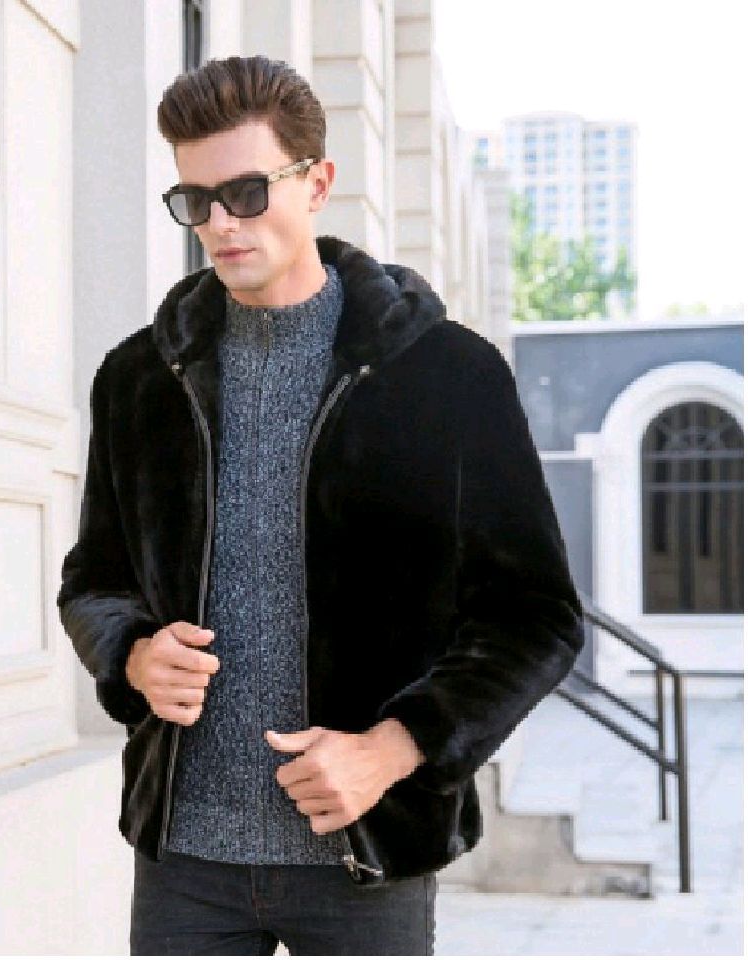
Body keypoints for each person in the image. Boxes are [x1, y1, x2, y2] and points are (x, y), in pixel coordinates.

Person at [57, 55, 585, 956]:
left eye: (246, 192)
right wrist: (134, 654)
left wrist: (394, 748)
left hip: (366, 855)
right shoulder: (138, 379)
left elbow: (536, 619)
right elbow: (94, 584)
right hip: (184, 862)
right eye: (195, 200)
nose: (220, 224)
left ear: (317, 183)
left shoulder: (450, 375)